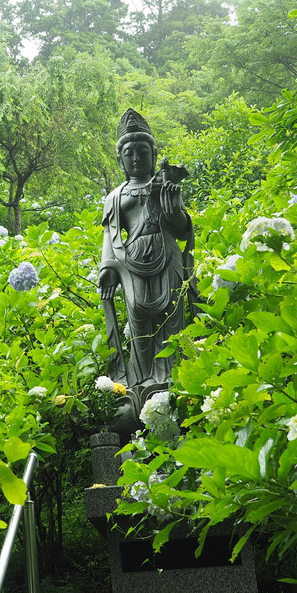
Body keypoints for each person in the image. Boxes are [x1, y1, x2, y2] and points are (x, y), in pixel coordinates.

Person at [98, 109, 196, 420]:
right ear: (121, 160)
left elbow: (181, 230)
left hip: (166, 255)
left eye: (143, 151)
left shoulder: (164, 185)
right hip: (130, 265)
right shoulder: (115, 197)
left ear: (153, 154)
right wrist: (107, 269)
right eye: (130, 153)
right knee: (138, 317)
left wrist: (172, 208)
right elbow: (109, 236)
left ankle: (170, 378)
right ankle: (141, 381)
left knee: (171, 314)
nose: (137, 158)